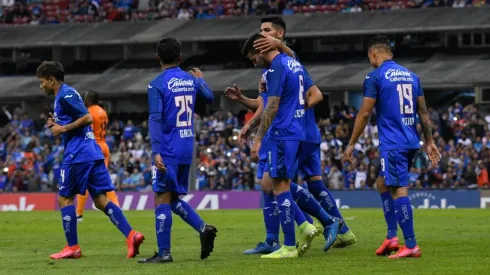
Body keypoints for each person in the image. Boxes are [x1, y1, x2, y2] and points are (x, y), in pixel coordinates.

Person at [226, 16, 350, 254]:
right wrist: (247, 114)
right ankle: (303, 229)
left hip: (285, 132)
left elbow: (276, 105)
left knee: (279, 184)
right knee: (274, 183)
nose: (261, 35)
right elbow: (265, 104)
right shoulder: (292, 63)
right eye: (260, 31)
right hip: (292, 131)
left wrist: (259, 137)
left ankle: (299, 237)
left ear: (277, 36)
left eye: (266, 32)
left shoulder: (278, 66)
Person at [343, 36, 441, 259]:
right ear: (391, 54)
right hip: (410, 140)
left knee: (398, 189)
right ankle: (391, 236)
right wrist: (429, 141)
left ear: (373, 54)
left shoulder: (374, 77)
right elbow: (423, 112)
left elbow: (365, 113)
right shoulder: (412, 76)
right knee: (382, 182)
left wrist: (351, 144)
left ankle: (411, 244)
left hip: (393, 143)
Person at [37, 61, 144, 260]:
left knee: (64, 198)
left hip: (78, 155)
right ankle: (132, 235)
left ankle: (72, 247)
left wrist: (63, 129)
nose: (41, 86)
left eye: (42, 81)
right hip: (92, 152)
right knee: (101, 200)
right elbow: (78, 119)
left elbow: (87, 118)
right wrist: (58, 123)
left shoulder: (65, 95)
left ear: (51, 80)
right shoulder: (66, 94)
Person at [138, 38, 217, 264]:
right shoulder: (190, 80)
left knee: (161, 197)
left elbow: (155, 118)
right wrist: (200, 80)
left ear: (157, 58)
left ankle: (164, 253)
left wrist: (156, 151)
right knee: (172, 198)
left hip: (168, 148)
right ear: (180, 58)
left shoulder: (156, 84)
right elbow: (209, 98)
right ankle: (202, 228)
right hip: (186, 147)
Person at [76, 90, 120, 222]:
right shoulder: (102, 111)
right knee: (104, 181)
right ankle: (116, 209)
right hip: (104, 146)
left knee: (84, 180)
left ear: (88, 100)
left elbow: (84, 130)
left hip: (93, 147)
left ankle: (78, 214)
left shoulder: (89, 112)